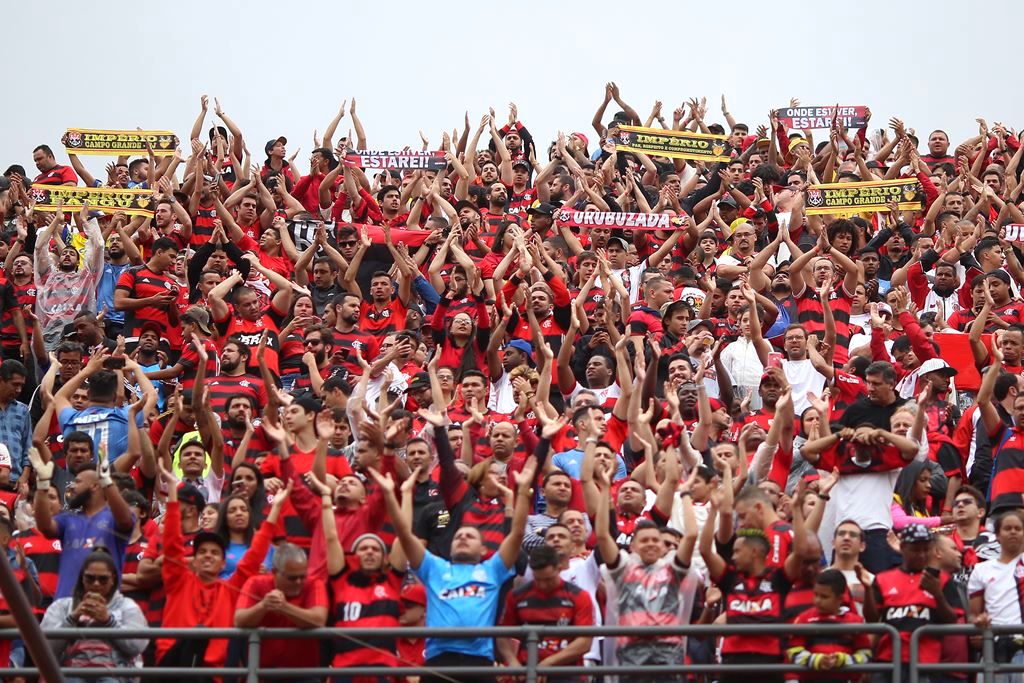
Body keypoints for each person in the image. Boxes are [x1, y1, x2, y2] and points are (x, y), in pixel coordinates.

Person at [373, 452, 537, 682]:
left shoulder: (493, 569)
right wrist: (395, 494)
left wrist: (520, 492)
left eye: (470, 536)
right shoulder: (435, 568)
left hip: (479, 663)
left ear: (483, 550)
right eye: (459, 536)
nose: (462, 538)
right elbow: (404, 534)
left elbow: (517, 532)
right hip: (438, 662)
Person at [155, 464, 288, 672]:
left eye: (215, 553)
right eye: (203, 552)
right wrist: (172, 490)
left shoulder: (230, 588)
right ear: (194, 560)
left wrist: (276, 508)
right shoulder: (178, 580)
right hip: (173, 666)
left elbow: (254, 555)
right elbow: (172, 543)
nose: (208, 555)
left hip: (213, 671)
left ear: (223, 563)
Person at [29, 446, 134, 599]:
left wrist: (107, 481)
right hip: (66, 604)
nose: (72, 486)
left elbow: (125, 520)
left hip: (104, 606)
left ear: (95, 486)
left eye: (77, 482)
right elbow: (45, 527)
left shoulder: (113, 517)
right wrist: (42, 485)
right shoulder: (68, 518)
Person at [864, 523, 960, 683]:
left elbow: (952, 620)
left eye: (926, 549)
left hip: (925, 664)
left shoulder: (942, 579)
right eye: (916, 549)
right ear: (902, 548)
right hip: (887, 662)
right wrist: (867, 590)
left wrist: (937, 594)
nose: (922, 555)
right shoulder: (883, 579)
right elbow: (872, 619)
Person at [40, 550, 148, 682]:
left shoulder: (127, 606)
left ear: (113, 579)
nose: (96, 584)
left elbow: (137, 646)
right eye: (90, 578)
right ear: (82, 578)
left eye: (103, 579)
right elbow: (43, 650)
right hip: (71, 672)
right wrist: (72, 619)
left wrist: (109, 622)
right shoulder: (62, 607)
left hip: (115, 674)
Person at [498, 544, 594, 677]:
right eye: (538, 580)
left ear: (559, 569)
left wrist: (547, 664)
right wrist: (513, 663)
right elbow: (502, 634)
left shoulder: (579, 596)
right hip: (526, 672)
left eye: (548, 579)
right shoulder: (517, 596)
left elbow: (585, 642)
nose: (543, 585)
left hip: (567, 673)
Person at [234, 542, 328, 679]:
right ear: (274, 572)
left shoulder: (314, 583)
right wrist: (263, 606)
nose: (298, 582)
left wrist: (284, 607)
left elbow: (319, 620)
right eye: (292, 578)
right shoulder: (255, 582)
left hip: (304, 675)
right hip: (262, 675)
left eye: (302, 576)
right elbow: (239, 620)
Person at [786, 569, 872, 681]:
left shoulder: (855, 621)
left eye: (824, 596)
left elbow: (866, 655)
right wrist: (816, 660)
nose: (817, 600)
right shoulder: (804, 618)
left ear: (840, 599)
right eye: (815, 594)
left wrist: (843, 660)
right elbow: (793, 651)